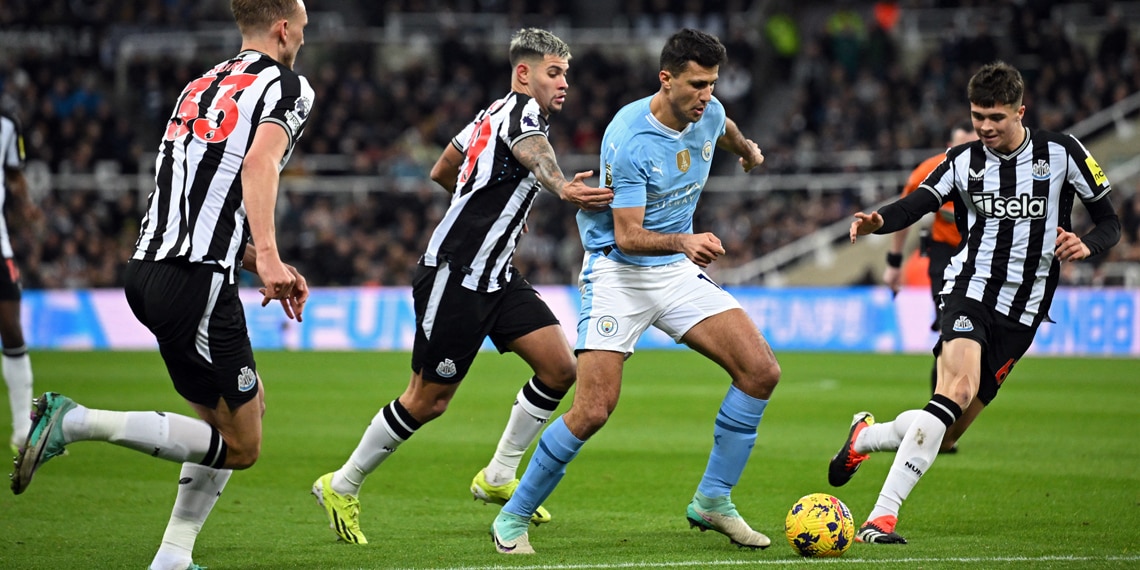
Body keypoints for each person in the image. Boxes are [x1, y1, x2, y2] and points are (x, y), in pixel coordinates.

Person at [10, 2, 314, 568]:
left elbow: (195, 197)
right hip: (195, 281)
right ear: (282, 28)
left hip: (150, 270)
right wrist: (270, 255)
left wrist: (257, 261)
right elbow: (258, 166)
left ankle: (173, 557)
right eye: (303, 25)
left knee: (223, 419)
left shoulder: (199, 85)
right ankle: (73, 420)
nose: (304, 35)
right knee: (244, 445)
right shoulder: (287, 86)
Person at [310, 28, 613, 545]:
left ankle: (496, 477)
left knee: (560, 368)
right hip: (456, 276)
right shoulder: (522, 115)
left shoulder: (485, 116)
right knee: (427, 400)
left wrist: (473, 200)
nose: (564, 84)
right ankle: (342, 483)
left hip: (496, 277)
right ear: (524, 73)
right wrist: (561, 185)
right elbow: (536, 152)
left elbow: (441, 168)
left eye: (566, 74)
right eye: (554, 73)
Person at [491, 28, 777, 555]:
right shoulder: (630, 138)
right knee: (593, 408)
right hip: (618, 271)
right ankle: (513, 517)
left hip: (674, 270)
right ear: (665, 80)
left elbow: (725, 126)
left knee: (761, 371)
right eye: (696, 85)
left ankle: (713, 500)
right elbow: (628, 235)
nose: (706, 96)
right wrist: (684, 240)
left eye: (712, 84)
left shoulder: (707, 111)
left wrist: (747, 149)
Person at [833, 61, 1119, 544]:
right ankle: (881, 517)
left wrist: (1088, 244)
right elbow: (919, 202)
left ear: (1020, 112)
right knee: (959, 388)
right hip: (969, 288)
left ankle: (865, 437)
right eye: (977, 116)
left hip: (1025, 310)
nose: (984, 127)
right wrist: (880, 220)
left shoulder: (1064, 153)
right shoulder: (963, 160)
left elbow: (1110, 221)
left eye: (995, 118)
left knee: (947, 431)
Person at [883, 120, 978, 414]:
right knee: (951, 332)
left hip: (984, 257)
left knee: (973, 340)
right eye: (957, 147)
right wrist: (894, 263)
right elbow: (905, 212)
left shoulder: (1001, 171)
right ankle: (940, 413)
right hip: (946, 256)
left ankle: (946, 411)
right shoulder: (932, 170)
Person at [0, 110, 39, 457]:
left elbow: (14, 174)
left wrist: (26, 205)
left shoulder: (8, 124)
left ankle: (21, 429)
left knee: (11, 327)